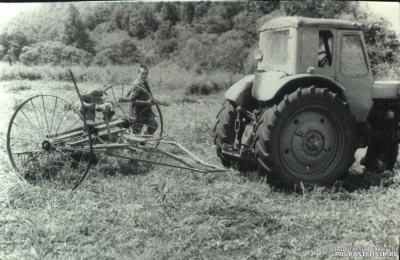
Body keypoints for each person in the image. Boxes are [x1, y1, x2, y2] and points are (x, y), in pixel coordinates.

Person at [120, 65, 158, 135]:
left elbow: (149, 94)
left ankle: (143, 141)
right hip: (137, 113)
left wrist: (153, 99)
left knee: (154, 126)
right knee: (136, 134)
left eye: (146, 73)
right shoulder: (137, 85)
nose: (144, 75)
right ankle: (136, 144)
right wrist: (147, 102)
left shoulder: (145, 83)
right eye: (142, 73)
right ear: (138, 73)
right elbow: (133, 101)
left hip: (146, 111)